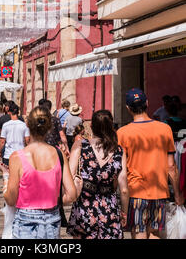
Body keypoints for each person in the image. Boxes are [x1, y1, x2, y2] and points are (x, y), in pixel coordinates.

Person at [0, 106, 77, 239]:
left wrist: (6, 177)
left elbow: (11, 199)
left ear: (27, 124)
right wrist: (52, 199)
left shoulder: (17, 157)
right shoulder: (59, 154)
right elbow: (72, 195)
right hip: (52, 220)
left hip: (25, 220)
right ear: (49, 126)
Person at [117, 88, 184, 240]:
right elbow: (172, 167)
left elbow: (120, 169)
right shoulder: (165, 129)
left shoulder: (122, 133)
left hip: (136, 193)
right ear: (147, 103)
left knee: (139, 232)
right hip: (159, 192)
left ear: (128, 108)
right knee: (154, 234)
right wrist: (178, 194)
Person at [67, 110, 129, 239]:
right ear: (111, 126)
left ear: (91, 126)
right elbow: (123, 189)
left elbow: (69, 175)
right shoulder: (119, 150)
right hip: (109, 209)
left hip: (84, 208)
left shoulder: (80, 145)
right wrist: (124, 213)